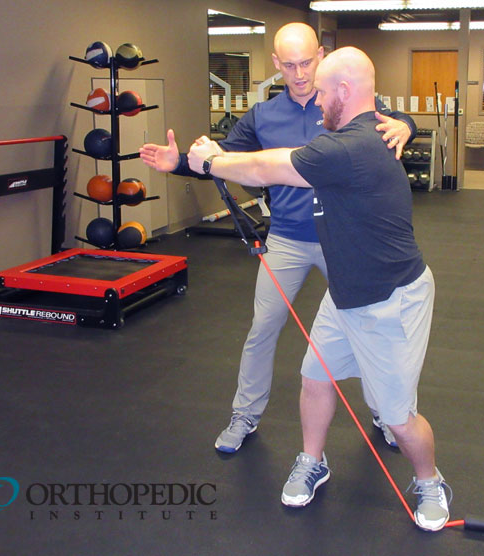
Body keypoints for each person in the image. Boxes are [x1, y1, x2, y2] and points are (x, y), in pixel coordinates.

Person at [186, 46, 451, 532]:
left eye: (325, 92)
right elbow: (272, 160)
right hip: (345, 290)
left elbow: (266, 168)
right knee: (314, 377)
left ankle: (430, 480)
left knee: (397, 416)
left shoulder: (348, 148)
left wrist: (211, 162)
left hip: (389, 298)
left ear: (343, 92)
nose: (319, 102)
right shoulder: (366, 132)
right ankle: (313, 460)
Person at [139, 23, 416, 454]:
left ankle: (386, 413)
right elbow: (224, 159)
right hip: (287, 239)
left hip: (343, 240)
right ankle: (245, 414)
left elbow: (388, 121)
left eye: (306, 63)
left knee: (367, 329)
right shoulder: (263, 116)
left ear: (321, 56)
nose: (300, 74)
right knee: (262, 328)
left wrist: (407, 126)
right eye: (289, 65)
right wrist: (179, 163)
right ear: (275, 64)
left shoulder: (340, 102)